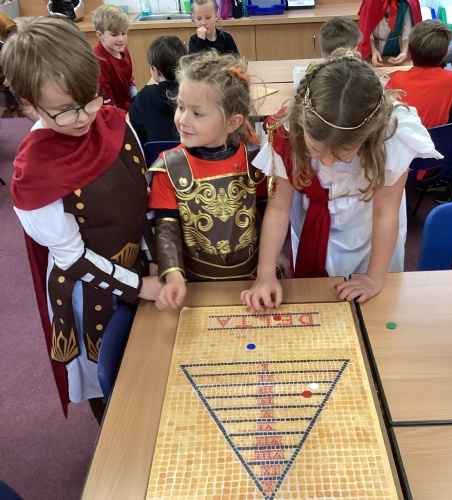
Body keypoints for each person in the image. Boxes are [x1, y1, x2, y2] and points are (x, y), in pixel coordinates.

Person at [2, 17, 161, 422]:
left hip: (139, 270)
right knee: (106, 381)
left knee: (151, 365)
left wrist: (154, 259)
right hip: (88, 290)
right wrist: (139, 287)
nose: (84, 116)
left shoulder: (116, 122)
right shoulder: (34, 171)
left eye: (90, 98)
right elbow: (71, 257)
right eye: (64, 111)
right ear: (29, 105)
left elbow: (141, 200)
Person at [240, 49, 441, 310]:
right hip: (311, 223)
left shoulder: (391, 135)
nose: (326, 163)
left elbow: (385, 212)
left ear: (368, 136)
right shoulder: (288, 132)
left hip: (369, 231)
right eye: (316, 150)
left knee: (372, 311)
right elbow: (279, 208)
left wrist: (374, 277)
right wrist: (265, 273)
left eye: (343, 154)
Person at [148, 51, 266, 310]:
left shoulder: (255, 160)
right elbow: (166, 227)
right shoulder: (169, 167)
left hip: (252, 281)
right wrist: (173, 275)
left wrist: (273, 260)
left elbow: (268, 213)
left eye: (197, 113)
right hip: (193, 286)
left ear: (233, 122)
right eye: (181, 107)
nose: (182, 120)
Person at [386, 20, 452, 129]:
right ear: (446, 54)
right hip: (435, 139)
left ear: (408, 53)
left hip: (403, 138)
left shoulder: (397, 78)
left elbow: (386, 107)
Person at [129, 36, 187, 146]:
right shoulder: (193, 93)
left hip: (156, 155)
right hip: (189, 153)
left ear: (155, 70)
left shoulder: (144, 96)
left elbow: (136, 129)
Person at [92, 4, 137, 111]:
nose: (121, 39)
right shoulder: (99, 60)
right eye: (115, 34)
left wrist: (136, 97)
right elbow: (107, 102)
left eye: (124, 33)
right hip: (112, 111)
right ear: (100, 35)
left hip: (127, 106)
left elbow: (129, 79)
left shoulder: (122, 50)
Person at [358, 0, 422, 67]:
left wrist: (404, 52)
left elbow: (407, 31)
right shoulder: (370, 2)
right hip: (374, 47)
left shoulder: (407, 3)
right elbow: (366, 28)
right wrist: (373, 49)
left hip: (397, 48)